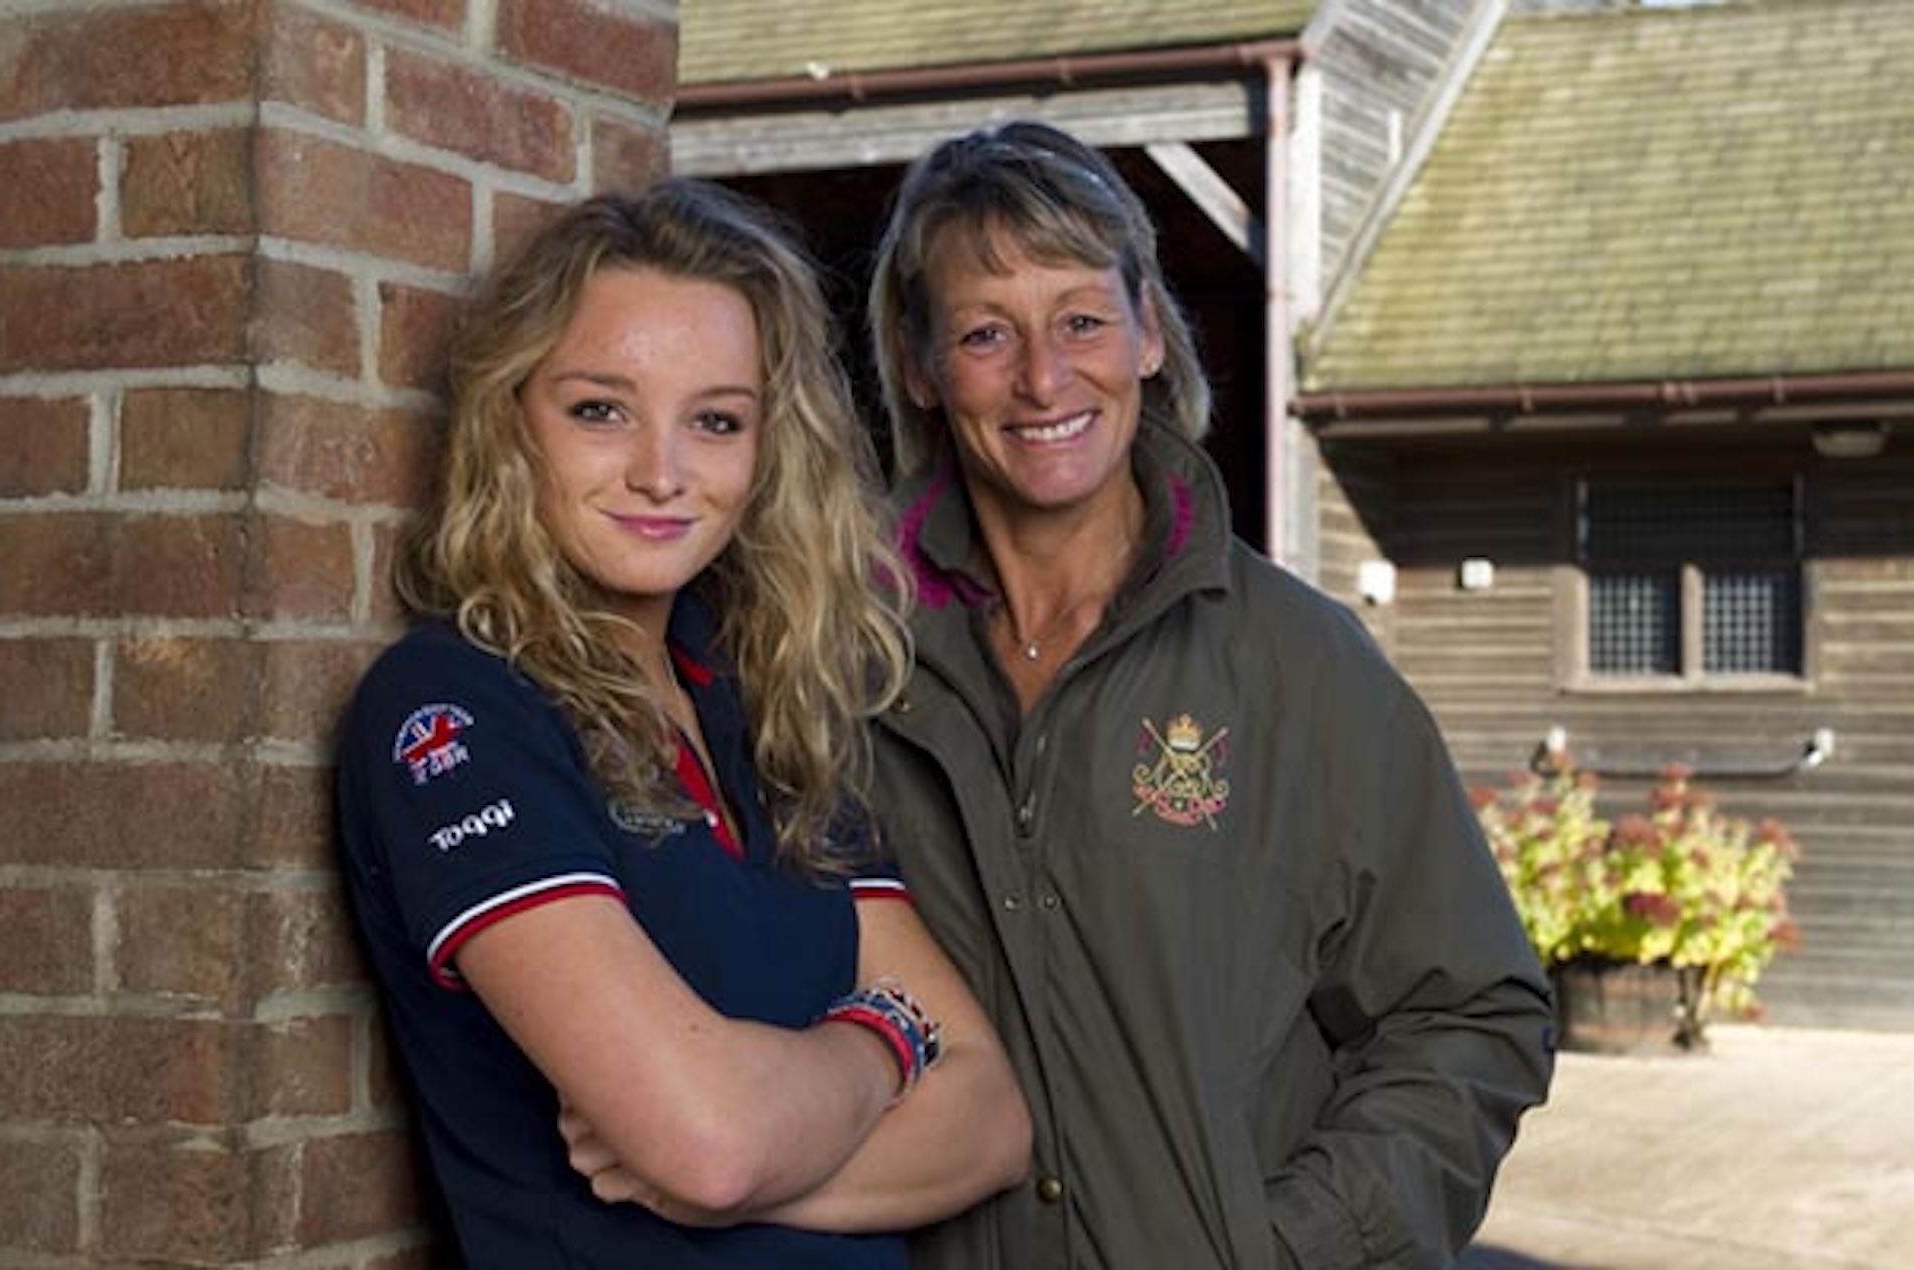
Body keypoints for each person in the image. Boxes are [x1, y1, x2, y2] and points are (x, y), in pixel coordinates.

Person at [861, 120, 1557, 1269]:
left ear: (1146, 331)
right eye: (986, 332)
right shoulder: (841, 661)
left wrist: (1286, 1248)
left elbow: (1470, 1015)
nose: (1042, 376)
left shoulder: (1299, 667)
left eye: (1081, 318)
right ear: (920, 362)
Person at [337, 177, 1031, 1269]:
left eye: (715, 420)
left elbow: (990, 1118)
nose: (661, 472)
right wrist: (884, 1041)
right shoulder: (456, 706)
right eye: (599, 408)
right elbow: (707, 1143)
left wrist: (754, 1160)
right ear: (511, 417)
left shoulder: (766, 704)